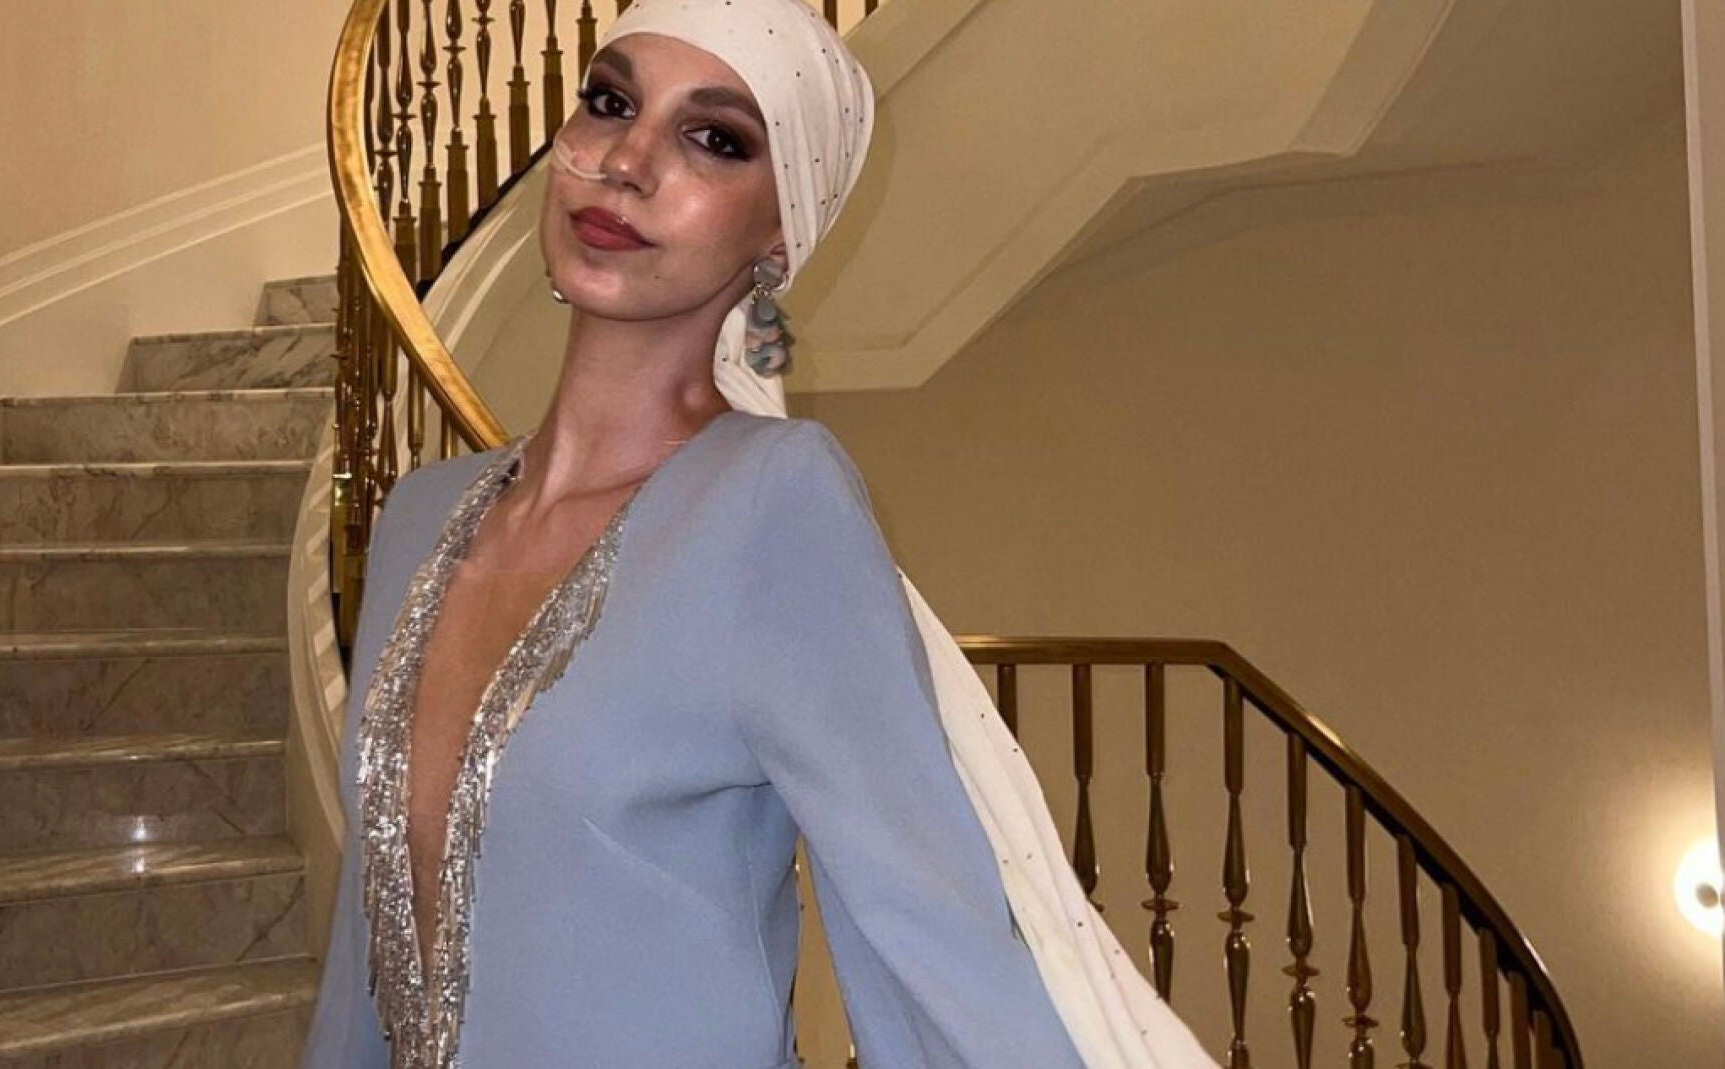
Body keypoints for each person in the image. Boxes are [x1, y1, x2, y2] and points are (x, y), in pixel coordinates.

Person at [301, 0, 1217, 1065]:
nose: (627, 161)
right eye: (610, 104)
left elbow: (930, 934)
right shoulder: (419, 517)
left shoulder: (771, 507)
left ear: (780, 233)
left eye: (714, 138)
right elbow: (360, 960)